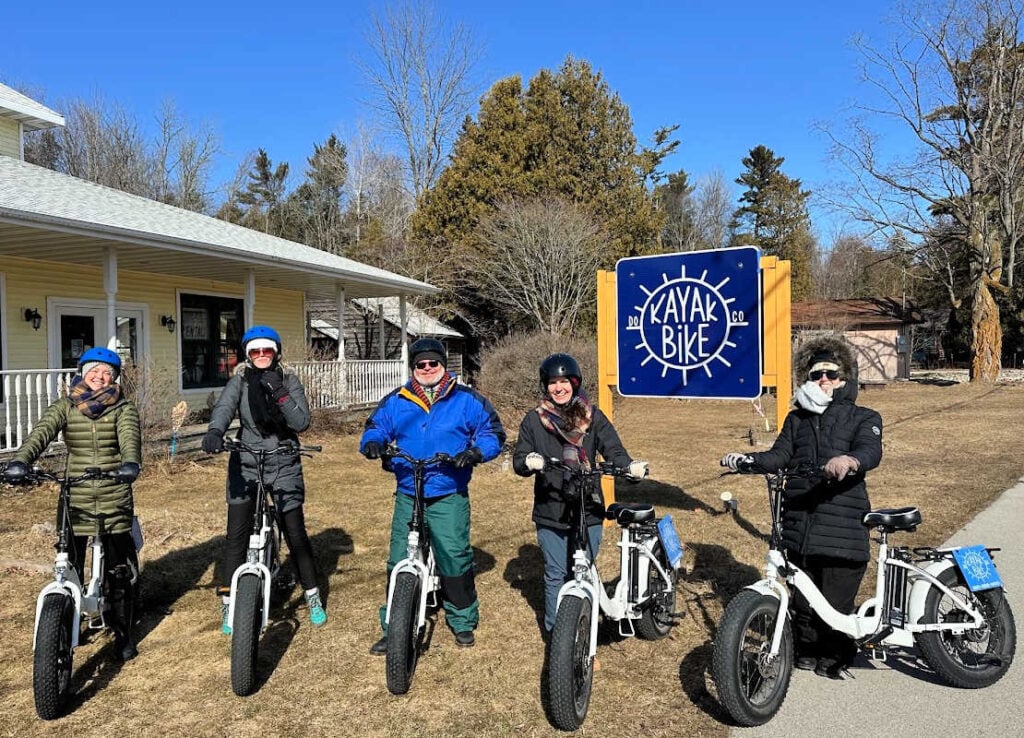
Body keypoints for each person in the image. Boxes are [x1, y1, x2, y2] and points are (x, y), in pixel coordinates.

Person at [720, 335, 883, 679]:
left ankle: (836, 652)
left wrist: (849, 460)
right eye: (815, 374)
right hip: (798, 522)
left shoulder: (863, 416)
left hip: (841, 527)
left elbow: (871, 451)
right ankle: (806, 649)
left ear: (845, 378)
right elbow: (780, 456)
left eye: (831, 373)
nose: (823, 379)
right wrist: (748, 461)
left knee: (835, 602)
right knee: (802, 599)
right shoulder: (797, 420)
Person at [360, 337, 505, 653]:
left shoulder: (466, 400)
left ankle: (462, 620)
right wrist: (372, 442)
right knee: (399, 557)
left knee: (453, 556)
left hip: (447, 490)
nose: (427, 368)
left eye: (433, 363)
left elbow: (493, 433)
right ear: (414, 367)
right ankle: (394, 625)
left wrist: (476, 453)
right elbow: (375, 427)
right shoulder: (398, 399)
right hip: (408, 489)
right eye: (421, 364)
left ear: (443, 365)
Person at [3, 347, 142, 661]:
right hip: (75, 492)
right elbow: (41, 433)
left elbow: (130, 437)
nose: (100, 376)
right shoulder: (65, 406)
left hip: (114, 489)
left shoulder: (123, 408)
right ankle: (66, 623)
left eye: (107, 372)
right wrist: (21, 461)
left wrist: (131, 463)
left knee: (118, 570)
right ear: (83, 372)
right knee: (71, 565)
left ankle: (122, 632)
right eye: (94, 370)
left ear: (114, 378)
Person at [512, 353, 649, 634]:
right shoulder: (534, 420)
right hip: (551, 508)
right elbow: (519, 458)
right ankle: (556, 636)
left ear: (574, 383)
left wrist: (629, 467)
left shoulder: (593, 417)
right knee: (555, 574)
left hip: (589, 507)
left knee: (584, 570)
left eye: (564, 381)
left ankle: (582, 637)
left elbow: (614, 451)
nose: (558, 388)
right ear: (545, 386)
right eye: (552, 382)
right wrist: (529, 461)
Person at [202, 325, 326, 632]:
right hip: (245, 459)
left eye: (266, 350)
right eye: (255, 351)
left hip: (283, 460)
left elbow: (301, 422)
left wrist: (280, 393)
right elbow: (224, 407)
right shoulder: (240, 381)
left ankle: (312, 595)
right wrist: (215, 431)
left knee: (294, 531)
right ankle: (230, 603)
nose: (261, 356)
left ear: (276, 352)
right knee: (236, 535)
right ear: (247, 354)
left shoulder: (288, 380)